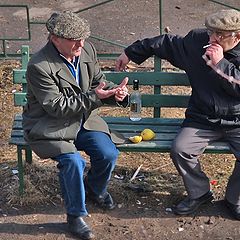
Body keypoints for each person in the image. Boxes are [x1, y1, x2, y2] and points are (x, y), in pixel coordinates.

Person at [116, 9, 240, 220]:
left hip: (237, 120)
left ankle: (234, 199)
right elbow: (165, 43)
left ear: (237, 36)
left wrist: (220, 63)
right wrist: (130, 52)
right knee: (181, 149)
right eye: (211, 32)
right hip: (202, 118)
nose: (212, 38)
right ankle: (200, 193)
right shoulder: (197, 41)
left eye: (219, 35)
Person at [23, 11, 129, 239]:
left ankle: (95, 189)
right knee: (73, 162)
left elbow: (97, 82)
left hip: (83, 121)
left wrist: (115, 93)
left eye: (83, 37)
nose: (81, 43)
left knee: (108, 154)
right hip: (51, 127)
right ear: (55, 39)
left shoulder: (86, 50)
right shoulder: (39, 66)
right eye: (74, 39)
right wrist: (97, 97)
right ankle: (75, 216)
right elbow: (56, 106)